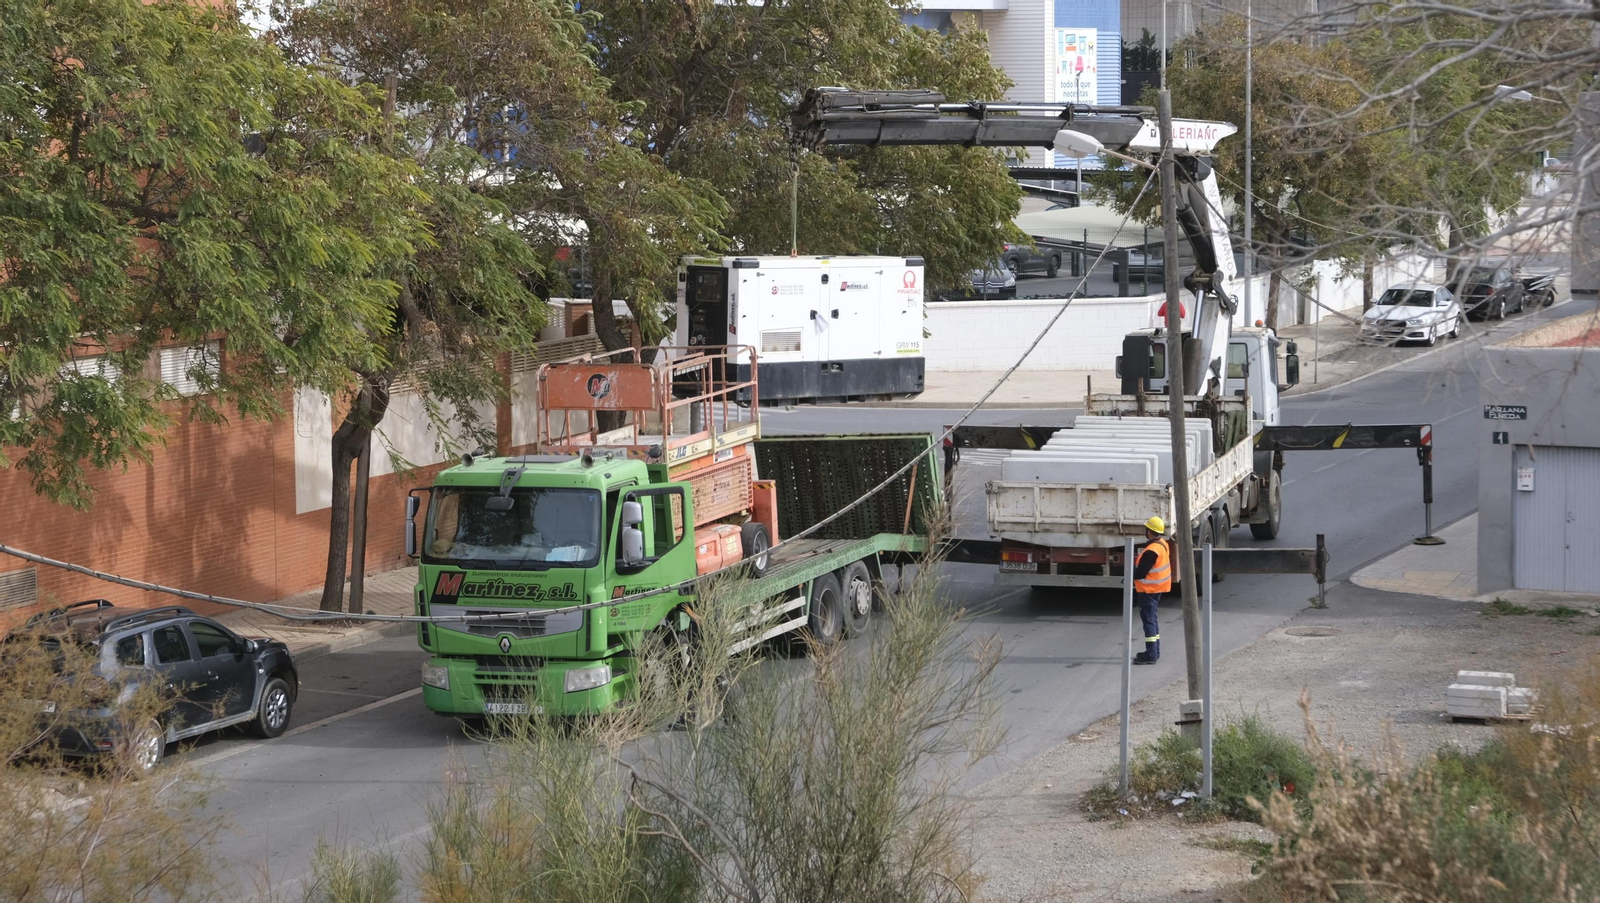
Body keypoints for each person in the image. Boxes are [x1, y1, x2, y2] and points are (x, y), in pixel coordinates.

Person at [1131, 515, 1173, 665]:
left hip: (1148, 591)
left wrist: (1130, 575)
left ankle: (1151, 654)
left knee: (1148, 621)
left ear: (1149, 531)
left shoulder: (1151, 550)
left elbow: (1141, 572)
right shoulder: (1162, 544)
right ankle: (1154, 651)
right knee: (1152, 620)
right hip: (1157, 589)